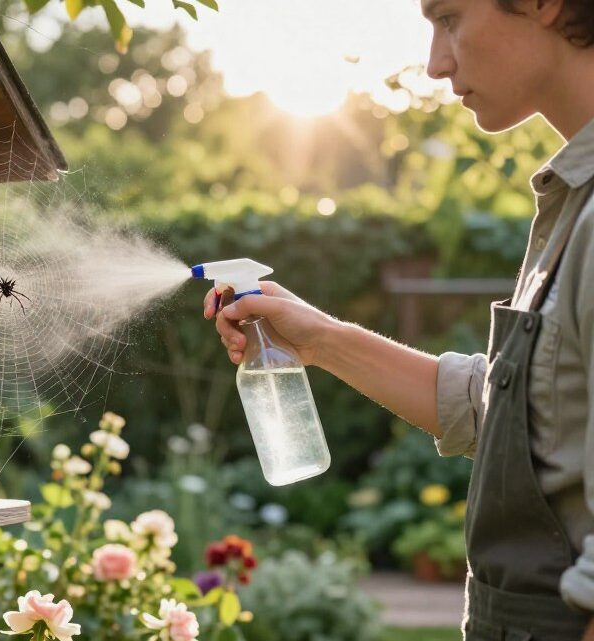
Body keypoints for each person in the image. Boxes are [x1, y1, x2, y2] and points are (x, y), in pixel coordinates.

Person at [204, 1, 594, 639]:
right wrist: (321, 338)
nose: (436, 63)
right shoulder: (574, 201)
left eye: (448, 18)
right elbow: (518, 418)